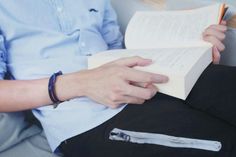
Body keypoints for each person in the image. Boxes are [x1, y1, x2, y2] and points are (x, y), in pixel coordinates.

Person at [0, 1, 235, 157]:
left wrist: (192, 46)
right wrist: (83, 82)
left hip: (151, 82)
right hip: (87, 120)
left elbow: (117, 49)